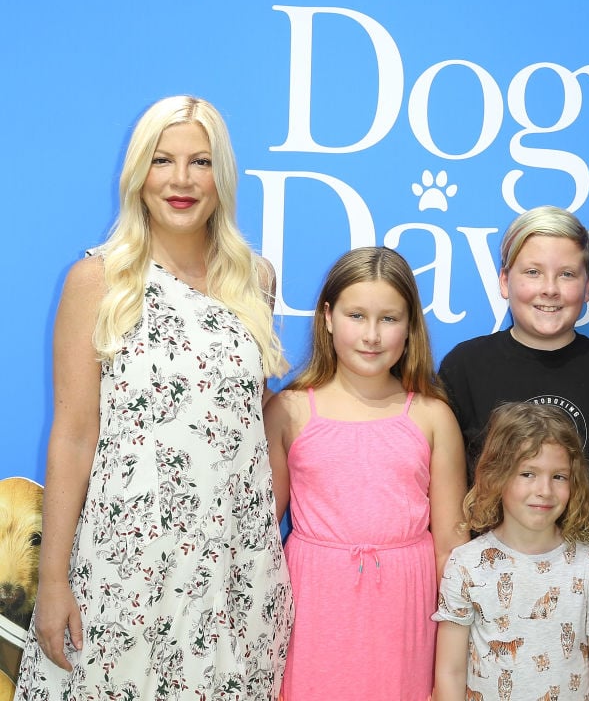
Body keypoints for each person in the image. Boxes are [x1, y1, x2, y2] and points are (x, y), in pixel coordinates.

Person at [16, 96, 293, 700]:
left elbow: (248, 425)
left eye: (200, 162)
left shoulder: (256, 279)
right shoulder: (97, 280)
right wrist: (54, 581)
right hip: (127, 561)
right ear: (139, 174)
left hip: (234, 569)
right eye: (163, 160)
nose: (181, 180)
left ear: (222, 176)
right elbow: (73, 435)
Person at [265, 246, 467, 700]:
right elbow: (259, 534)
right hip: (313, 606)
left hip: (405, 612)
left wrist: (451, 664)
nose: (372, 335)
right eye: (356, 316)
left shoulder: (433, 416)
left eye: (389, 319)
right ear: (327, 317)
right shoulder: (289, 411)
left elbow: (451, 549)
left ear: (410, 326)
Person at [439, 206, 589, 547]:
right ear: (504, 281)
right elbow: (446, 494)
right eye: (533, 272)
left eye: (567, 274)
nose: (550, 289)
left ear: (587, 287)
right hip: (490, 571)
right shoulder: (464, 367)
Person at [432, 402, 589, 701]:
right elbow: (449, 672)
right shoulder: (466, 565)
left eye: (559, 476)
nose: (544, 490)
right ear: (497, 476)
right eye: (528, 474)